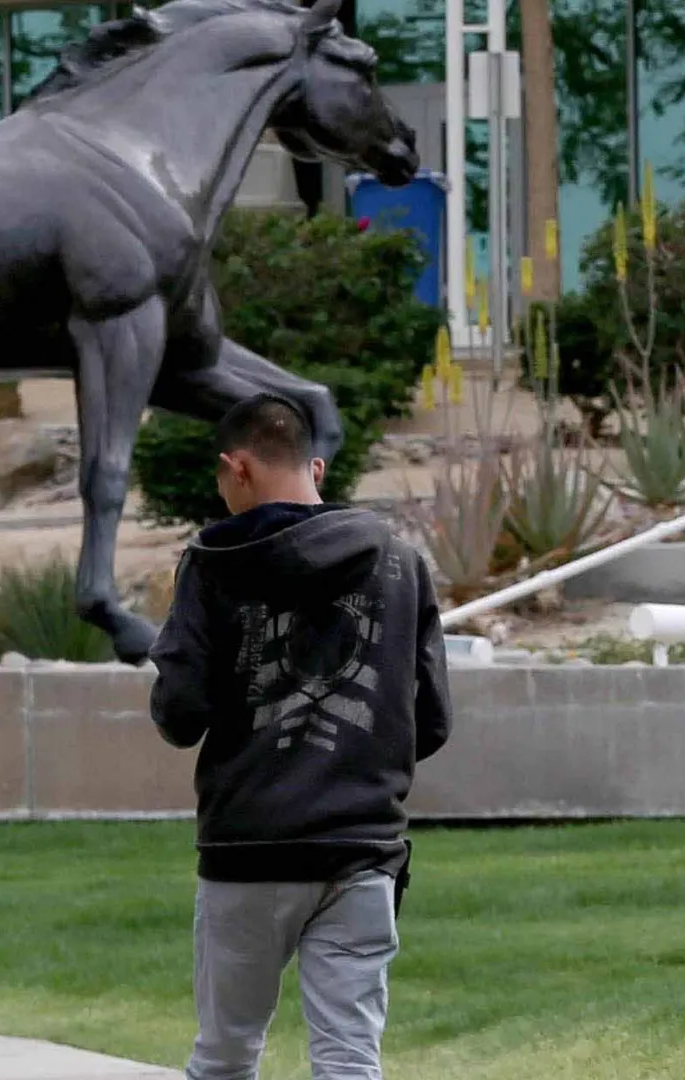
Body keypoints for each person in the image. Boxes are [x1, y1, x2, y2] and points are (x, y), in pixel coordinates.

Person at [148, 392, 452, 1080]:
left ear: (238, 467)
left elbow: (178, 714)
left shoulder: (212, 564)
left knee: (226, 1054)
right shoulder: (401, 563)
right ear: (314, 467)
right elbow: (430, 719)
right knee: (349, 1059)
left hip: (247, 849)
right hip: (361, 848)